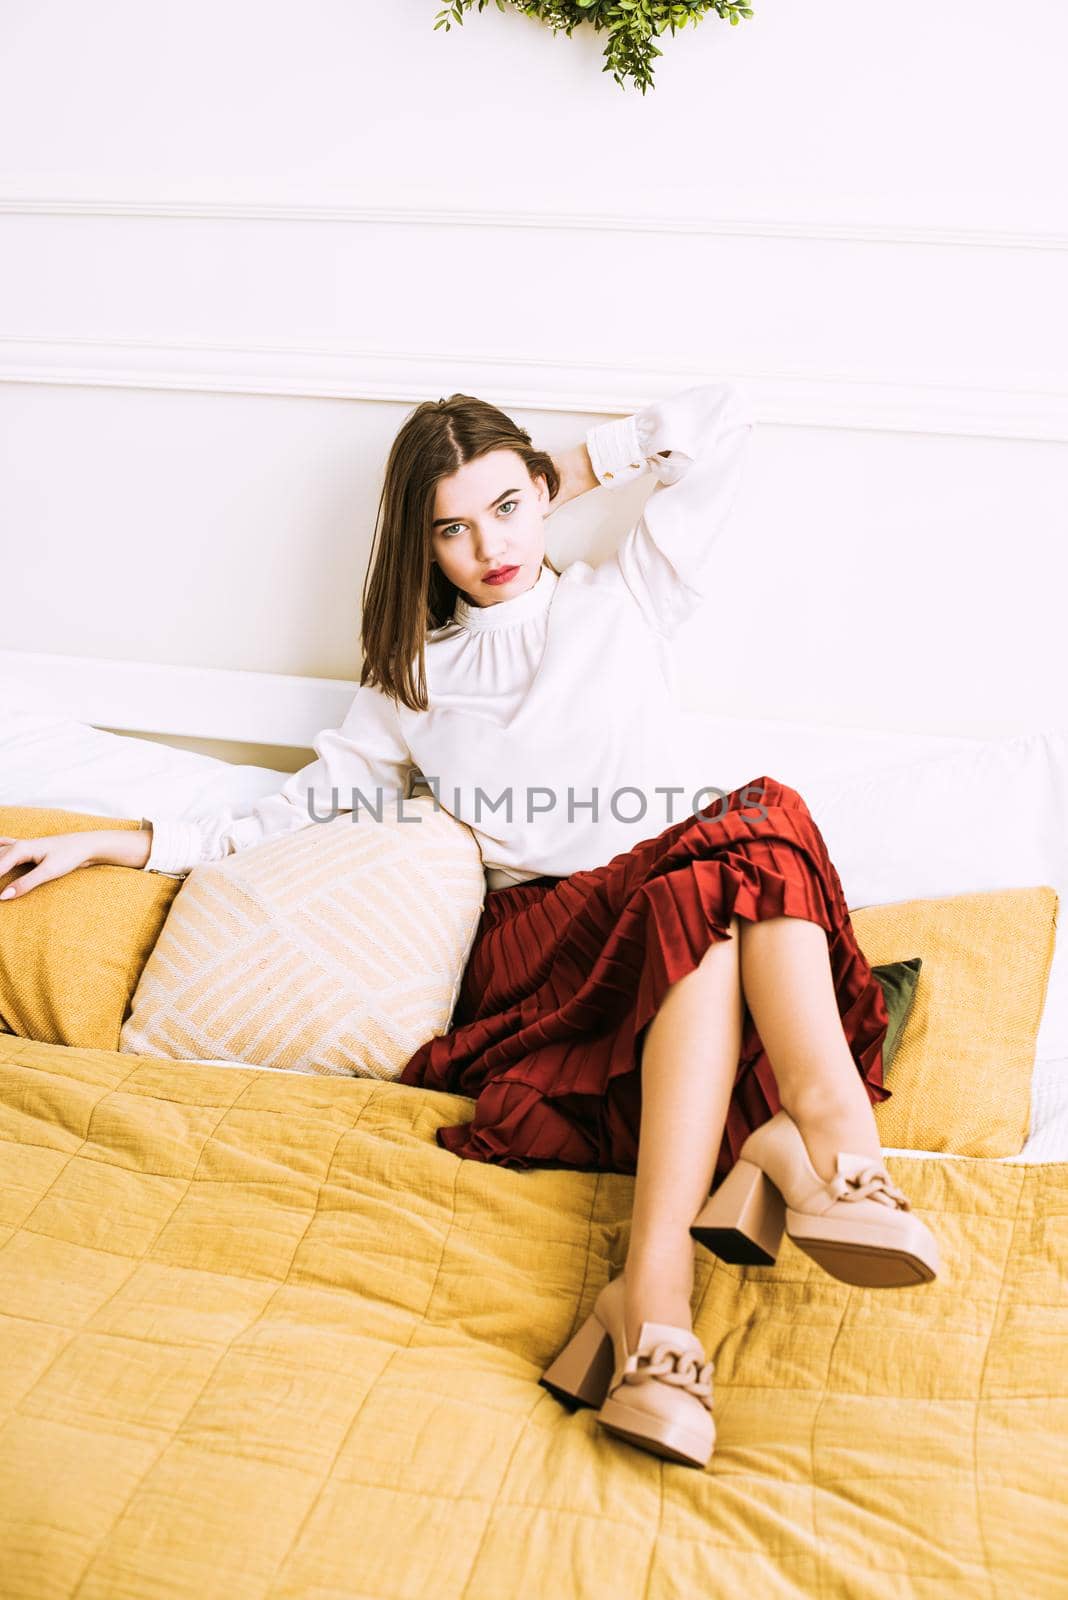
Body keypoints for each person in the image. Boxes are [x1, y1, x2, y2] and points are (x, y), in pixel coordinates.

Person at [0, 381, 939, 1471]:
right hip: (544, 950)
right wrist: (115, 841)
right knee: (757, 820)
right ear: (422, 545)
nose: (486, 544)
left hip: (681, 916)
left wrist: (562, 475)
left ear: (543, 496)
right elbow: (280, 812)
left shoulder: (626, 595)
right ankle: (830, 1150)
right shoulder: (415, 679)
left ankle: (655, 1303)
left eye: (504, 508)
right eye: (452, 526)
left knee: (707, 882)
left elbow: (721, 423)